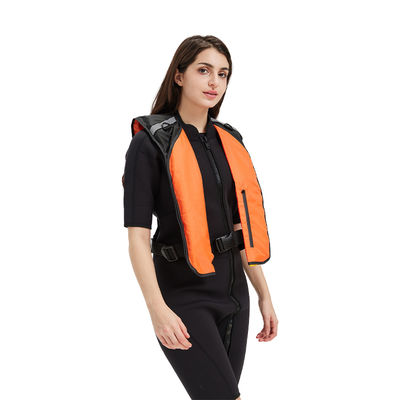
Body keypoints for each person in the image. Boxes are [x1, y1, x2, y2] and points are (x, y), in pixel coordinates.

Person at [122, 35, 278, 400]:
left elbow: (241, 229)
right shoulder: (150, 143)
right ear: (179, 76)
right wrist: (157, 309)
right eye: (204, 70)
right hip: (183, 296)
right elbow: (137, 238)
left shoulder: (230, 141)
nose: (214, 82)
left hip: (235, 297)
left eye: (223, 74)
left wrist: (264, 295)